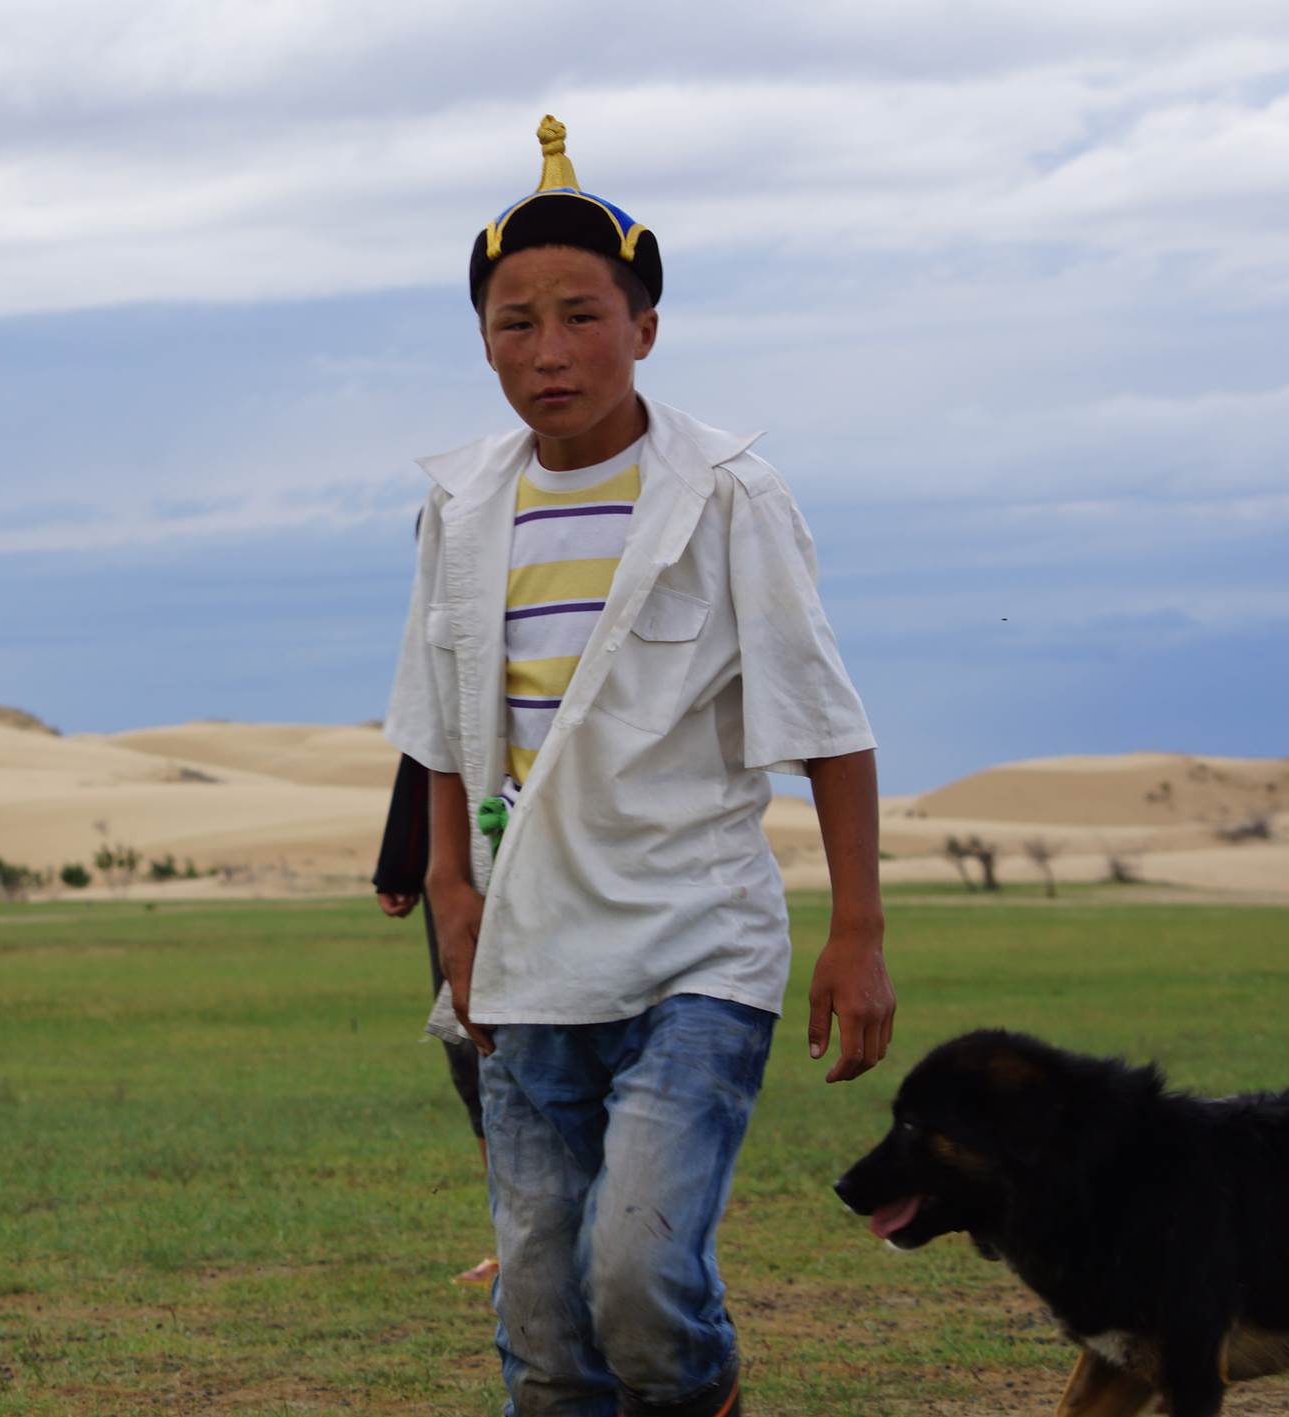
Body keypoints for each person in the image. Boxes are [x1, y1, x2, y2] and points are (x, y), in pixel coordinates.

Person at [383, 116, 894, 1417]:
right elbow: (437, 724)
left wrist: (856, 932)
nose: (547, 352)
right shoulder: (457, 506)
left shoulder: (726, 495)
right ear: (482, 340)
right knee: (544, 1326)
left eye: (581, 316)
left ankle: (702, 1391)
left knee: (636, 1276)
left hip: (692, 950)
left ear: (645, 328)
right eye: (513, 323)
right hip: (525, 955)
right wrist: (448, 890)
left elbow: (827, 726)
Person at [372, 752, 498, 1285]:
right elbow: (428, 749)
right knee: (473, 1053)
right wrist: (401, 861)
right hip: (462, 872)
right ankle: (514, 1241)